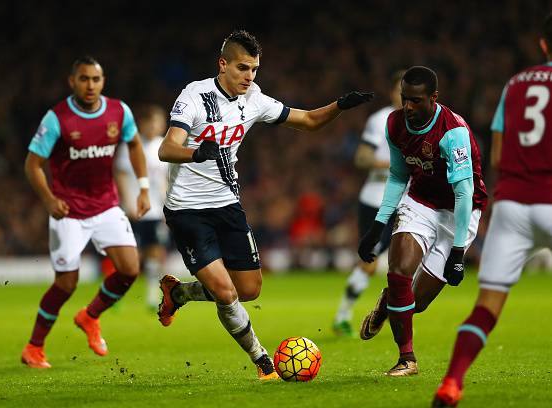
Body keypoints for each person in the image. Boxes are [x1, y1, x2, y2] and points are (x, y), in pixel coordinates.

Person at [156, 30, 373, 380]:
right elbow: (167, 148)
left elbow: (308, 121)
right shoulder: (194, 96)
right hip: (187, 210)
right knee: (227, 294)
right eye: (243, 68)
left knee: (249, 289)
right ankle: (262, 361)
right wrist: (198, 152)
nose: (249, 76)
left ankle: (178, 293)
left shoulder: (253, 99)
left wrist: (339, 106)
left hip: (227, 205)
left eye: (254, 69)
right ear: (222, 64)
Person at [432, 15, 552, 407]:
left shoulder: (515, 86)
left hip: (512, 205)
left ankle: (451, 382)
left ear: (543, 45)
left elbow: (499, 155)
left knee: (487, 305)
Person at [357, 66, 488, 376]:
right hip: (420, 203)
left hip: (460, 212)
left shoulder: (452, 132)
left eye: (416, 101)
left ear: (434, 98)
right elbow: (398, 175)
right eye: (405, 99)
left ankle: (388, 304)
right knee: (399, 270)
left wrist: (457, 253)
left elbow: (464, 193)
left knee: (416, 303)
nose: (408, 107)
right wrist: (377, 227)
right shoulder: (395, 123)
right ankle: (407, 359)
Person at [20, 56, 150, 368]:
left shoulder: (119, 112)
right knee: (66, 284)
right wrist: (49, 199)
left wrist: (143, 186)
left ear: (103, 81)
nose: (90, 85)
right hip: (70, 212)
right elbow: (32, 164)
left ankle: (90, 316)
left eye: (95, 79)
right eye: (84, 79)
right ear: (72, 81)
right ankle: (34, 347)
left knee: (130, 269)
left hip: (106, 206)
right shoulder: (58, 118)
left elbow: (134, 144)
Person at [333, 70, 404, 337]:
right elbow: (362, 159)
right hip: (376, 200)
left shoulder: (423, 120)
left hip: (405, 202)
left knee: (400, 260)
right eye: (399, 89)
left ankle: (393, 313)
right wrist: (396, 166)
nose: (404, 95)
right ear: (391, 92)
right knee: (370, 261)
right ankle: (344, 315)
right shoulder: (380, 120)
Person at [115, 104, 169, 310]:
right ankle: (116, 295)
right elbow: (121, 174)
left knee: (154, 252)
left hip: (155, 210)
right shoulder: (130, 145)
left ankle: (151, 296)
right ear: (142, 123)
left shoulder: (163, 145)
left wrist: (167, 205)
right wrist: (128, 202)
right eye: (151, 121)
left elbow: (164, 178)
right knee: (130, 256)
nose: (155, 126)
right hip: (134, 209)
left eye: (158, 121)